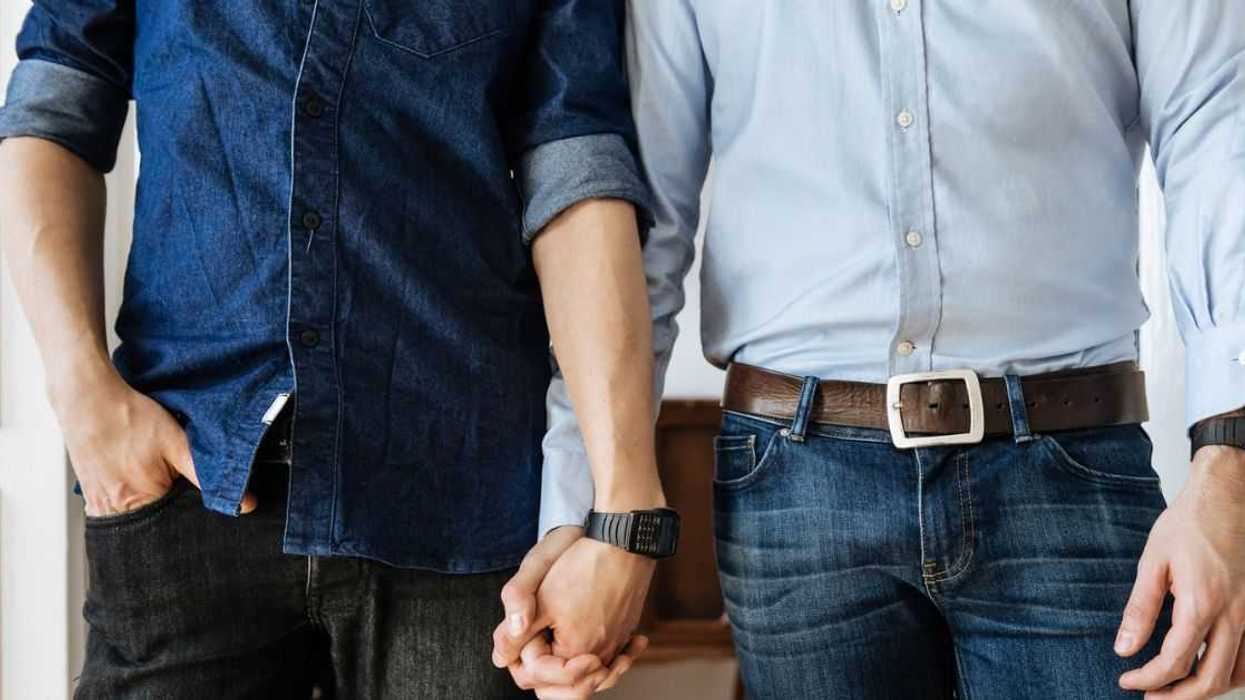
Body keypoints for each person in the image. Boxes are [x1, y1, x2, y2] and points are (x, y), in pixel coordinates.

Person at [498, 2, 1245, 698]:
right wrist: (587, 512)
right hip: (791, 479)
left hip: (1070, 466)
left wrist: (1230, 467)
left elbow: (1218, 121)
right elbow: (640, 231)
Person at [0, 1, 664, 697]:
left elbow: (578, 177)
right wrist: (82, 394)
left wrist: (624, 518)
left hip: (458, 495)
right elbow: (54, 102)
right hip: (188, 477)